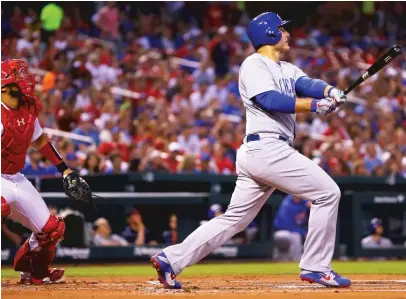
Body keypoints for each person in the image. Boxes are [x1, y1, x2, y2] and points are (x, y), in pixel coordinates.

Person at [150, 12, 350, 289]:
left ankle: (171, 259)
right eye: (282, 28)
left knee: (234, 220)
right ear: (269, 33)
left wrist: (329, 91)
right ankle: (316, 266)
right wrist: (314, 106)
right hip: (267, 147)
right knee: (328, 193)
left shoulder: (286, 68)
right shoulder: (253, 64)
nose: (287, 33)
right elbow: (269, 99)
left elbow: (307, 84)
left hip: (263, 151)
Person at [1, 59, 92, 285]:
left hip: (16, 178)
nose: (26, 81)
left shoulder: (27, 110)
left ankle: (34, 271)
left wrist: (65, 170)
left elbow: (40, 141)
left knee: (52, 230)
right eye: (18, 77)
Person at [273, 195, 311, 261]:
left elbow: (308, 203)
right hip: (282, 232)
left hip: (291, 232)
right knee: (296, 237)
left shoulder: (302, 201)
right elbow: (286, 225)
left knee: (284, 257)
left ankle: (280, 256)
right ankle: (297, 261)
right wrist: (303, 232)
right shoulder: (287, 204)